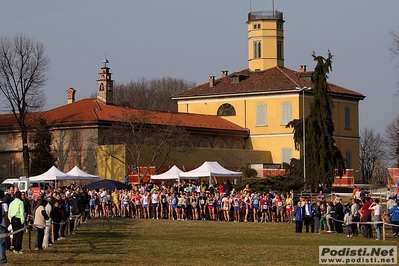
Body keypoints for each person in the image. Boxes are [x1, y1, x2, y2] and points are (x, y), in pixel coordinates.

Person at [0, 190, 10, 264]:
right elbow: (6, 216)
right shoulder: (4, 205)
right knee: (2, 243)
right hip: (2, 224)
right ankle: (3, 258)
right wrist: (7, 225)